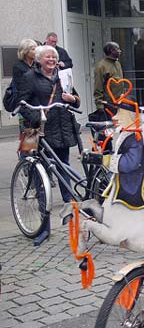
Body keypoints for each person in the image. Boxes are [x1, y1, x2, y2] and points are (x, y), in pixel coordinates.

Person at [18, 45, 81, 245]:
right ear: (38, 59)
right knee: (42, 181)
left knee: (65, 175)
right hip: (43, 134)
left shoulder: (63, 76)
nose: (52, 59)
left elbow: (76, 101)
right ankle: (43, 228)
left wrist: (73, 99)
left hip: (63, 132)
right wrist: (38, 116)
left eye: (54, 56)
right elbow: (22, 104)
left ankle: (72, 218)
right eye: (48, 56)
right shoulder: (30, 78)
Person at [10, 39, 38, 130]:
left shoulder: (37, 64)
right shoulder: (18, 66)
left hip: (38, 101)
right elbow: (20, 86)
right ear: (25, 51)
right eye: (33, 49)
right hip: (25, 102)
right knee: (27, 134)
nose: (36, 51)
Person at [93, 42, 125, 118]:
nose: (120, 51)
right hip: (109, 104)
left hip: (120, 102)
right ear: (112, 51)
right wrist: (99, 106)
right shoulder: (101, 66)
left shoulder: (117, 63)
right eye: (118, 49)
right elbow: (98, 87)